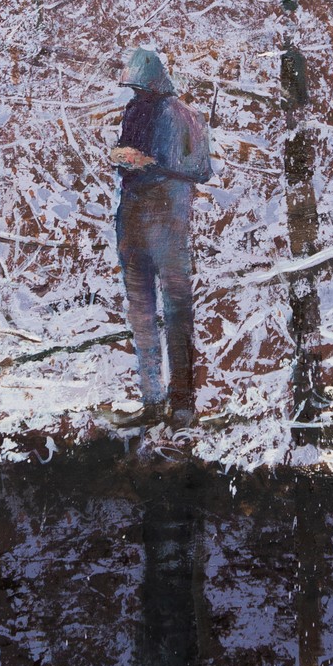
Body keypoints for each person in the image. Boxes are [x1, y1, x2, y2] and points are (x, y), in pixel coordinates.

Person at [109, 48, 211, 428]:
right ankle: (152, 400)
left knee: (177, 311)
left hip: (169, 223)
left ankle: (183, 403)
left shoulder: (182, 115)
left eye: (140, 85)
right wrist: (125, 158)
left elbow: (201, 168)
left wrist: (151, 163)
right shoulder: (134, 111)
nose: (136, 92)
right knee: (142, 312)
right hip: (133, 222)